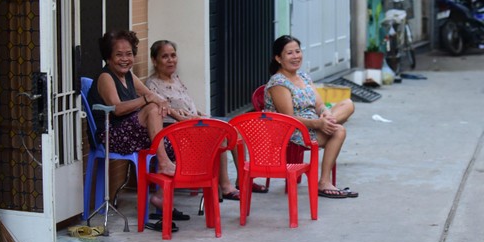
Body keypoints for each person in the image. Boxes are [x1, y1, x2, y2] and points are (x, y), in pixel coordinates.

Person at [145, 40, 268, 201]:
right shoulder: (152, 84)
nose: (171, 60)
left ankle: (243, 179)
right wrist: (190, 118)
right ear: (155, 60)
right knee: (219, 135)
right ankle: (224, 186)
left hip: (192, 122)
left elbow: (188, 105)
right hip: (175, 129)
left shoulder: (175, 78)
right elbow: (166, 110)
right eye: (165, 56)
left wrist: (201, 115)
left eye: (173, 55)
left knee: (235, 131)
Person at [87, 30, 182, 230]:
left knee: (175, 137)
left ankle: (160, 197)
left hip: (129, 132)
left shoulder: (129, 76)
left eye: (129, 53)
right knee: (152, 109)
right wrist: (149, 100)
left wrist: (182, 118)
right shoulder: (106, 77)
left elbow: (154, 96)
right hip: (111, 134)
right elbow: (117, 108)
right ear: (108, 57)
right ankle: (164, 164)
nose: (125, 59)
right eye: (119, 54)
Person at [265, 35, 358, 198]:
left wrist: (325, 114)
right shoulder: (278, 83)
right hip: (291, 130)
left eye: (298, 51)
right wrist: (317, 124)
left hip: (313, 121)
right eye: (289, 53)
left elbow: (319, 104)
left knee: (348, 104)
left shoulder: (303, 76)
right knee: (338, 131)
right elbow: (289, 118)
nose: (296, 56)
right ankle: (323, 182)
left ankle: (328, 123)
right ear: (278, 58)